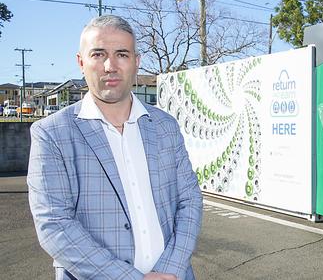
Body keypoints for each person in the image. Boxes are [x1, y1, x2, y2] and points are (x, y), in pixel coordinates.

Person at [27, 15, 203, 280]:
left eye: (122, 54)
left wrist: (172, 268)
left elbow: (189, 201)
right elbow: (54, 224)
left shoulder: (166, 125)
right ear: (81, 62)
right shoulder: (51, 133)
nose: (110, 66)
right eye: (98, 54)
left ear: (136, 62)